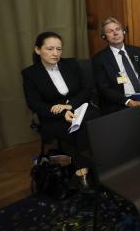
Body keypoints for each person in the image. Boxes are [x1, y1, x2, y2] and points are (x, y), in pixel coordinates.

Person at [22, 32, 99, 193]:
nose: (55, 53)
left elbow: (86, 90)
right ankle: (83, 172)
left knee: (97, 121)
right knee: (82, 129)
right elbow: (34, 104)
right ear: (38, 50)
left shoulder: (71, 64)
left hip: (78, 108)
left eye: (58, 49)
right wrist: (61, 113)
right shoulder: (30, 74)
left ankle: (92, 167)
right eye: (50, 49)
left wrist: (69, 106)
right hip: (53, 118)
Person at [93, 17, 140, 116]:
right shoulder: (99, 59)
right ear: (104, 36)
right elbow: (104, 89)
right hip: (120, 102)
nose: (115, 33)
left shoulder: (137, 51)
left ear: (123, 32)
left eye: (118, 29)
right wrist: (128, 102)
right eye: (110, 31)